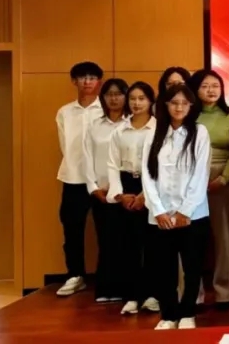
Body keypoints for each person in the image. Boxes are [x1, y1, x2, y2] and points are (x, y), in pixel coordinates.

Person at [142, 84, 211, 330]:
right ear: (165, 105)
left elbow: (201, 174)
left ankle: (188, 313)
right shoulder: (153, 132)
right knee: (164, 268)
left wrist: (186, 210)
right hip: (160, 215)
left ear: (191, 106)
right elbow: (147, 173)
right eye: (174, 102)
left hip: (193, 214)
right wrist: (158, 210)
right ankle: (168, 315)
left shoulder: (199, 132)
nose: (179, 107)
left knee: (192, 267)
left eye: (184, 103)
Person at [106, 81, 158, 315]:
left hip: (151, 186)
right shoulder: (120, 130)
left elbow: (160, 165)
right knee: (128, 244)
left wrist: (145, 195)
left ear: (151, 101)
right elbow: (112, 164)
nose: (136, 103)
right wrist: (120, 194)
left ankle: (153, 294)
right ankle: (132, 296)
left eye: (142, 99)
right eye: (133, 99)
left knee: (153, 244)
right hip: (127, 185)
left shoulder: (159, 129)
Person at [190, 69, 229, 309]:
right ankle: (193, 293)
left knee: (224, 238)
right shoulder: (187, 115)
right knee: (190, 239)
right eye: (205, 86)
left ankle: (223, 292)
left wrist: (224, 177)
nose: (211, 90)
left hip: (223, 181)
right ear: (195, 89)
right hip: (190, 181)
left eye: (215, 86)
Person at [55, 61, 104, 297]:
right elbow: (64, 145)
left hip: (102, 180)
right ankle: (75, 275)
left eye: (92, 77)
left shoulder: (106, 109)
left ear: (99, 82)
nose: (87, 81)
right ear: (74, 81)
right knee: (72, 230)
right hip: (73, 177)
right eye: (82, 77)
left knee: (107, 231)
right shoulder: (64, 112)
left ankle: (108, 278)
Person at [83, 77, 129, 302]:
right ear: (102, 98)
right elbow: (87, 157)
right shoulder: (95, 126)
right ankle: (105, 289)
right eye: (109, 94)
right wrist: (93, 188)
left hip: (125, 192)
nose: (114, 98)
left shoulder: (131, 124)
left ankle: (125, 289)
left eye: (118, 94)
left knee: (126, 242)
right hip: (101, 193)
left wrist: (118, 187)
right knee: (105, 240)